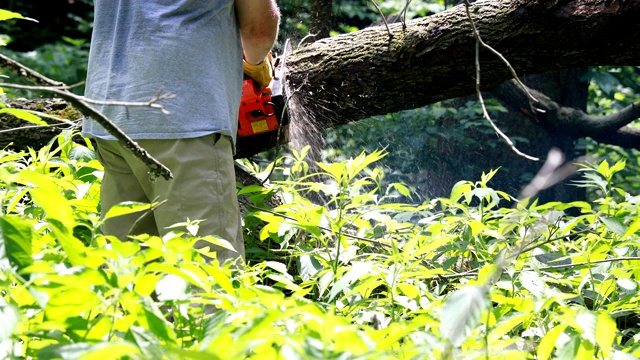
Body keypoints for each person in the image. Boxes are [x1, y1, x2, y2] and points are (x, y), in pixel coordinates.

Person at [82, 0, 281, 265]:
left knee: (133, 276)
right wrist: (256, 64)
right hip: (182, 118)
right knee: (208, 275)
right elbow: (258, 31)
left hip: (110, 116)